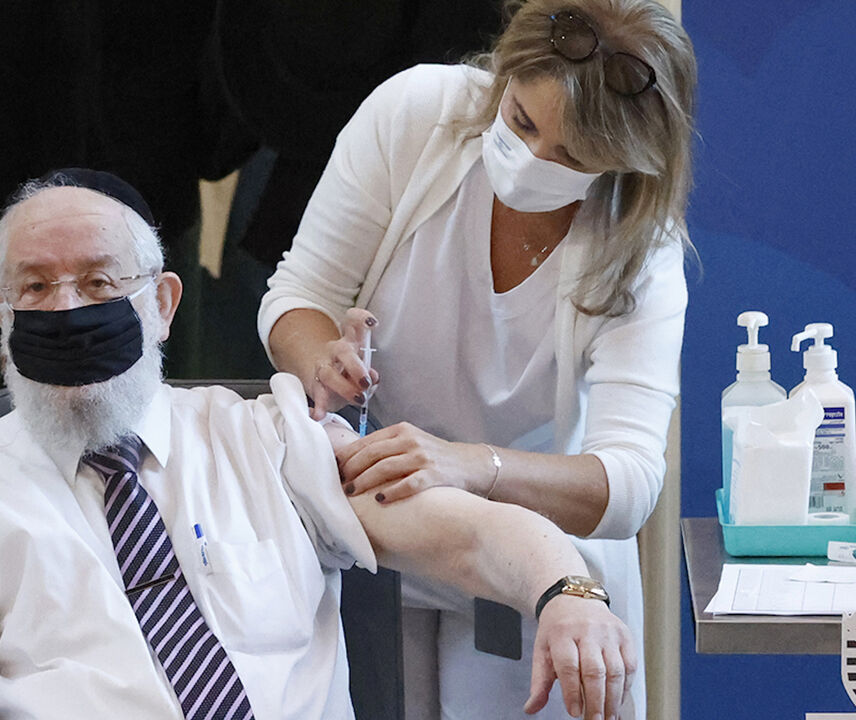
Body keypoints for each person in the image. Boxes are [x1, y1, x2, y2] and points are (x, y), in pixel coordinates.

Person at [0, 171, 637, 720]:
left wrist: (567, 589)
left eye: (97, 283)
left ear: (161, 304)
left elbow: (460, 530)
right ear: (2, 311)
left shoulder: (268, 441)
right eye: (37, 287)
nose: (67, 308)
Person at [257, 0, 696, 717]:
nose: (532, 163)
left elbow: (629, 482)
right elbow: (298, 294)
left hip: (534, 554)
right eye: (522, 122)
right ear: (503, 75)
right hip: (372, 519)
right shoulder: (417, 113)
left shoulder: (639, 248)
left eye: (574, 158)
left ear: (623, 161)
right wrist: (322, 360)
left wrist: (472, 465)